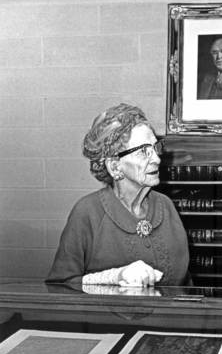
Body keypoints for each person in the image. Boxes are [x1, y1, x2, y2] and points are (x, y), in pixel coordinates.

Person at [46, 103, 190, 287]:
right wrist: (115, 277)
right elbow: (59, 285)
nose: (156, 158)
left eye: (155, 148)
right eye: (143, 151)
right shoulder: (87, 213)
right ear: (114, 166)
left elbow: (184, 283)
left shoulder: (166, 206)